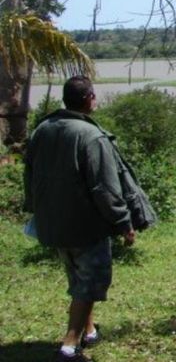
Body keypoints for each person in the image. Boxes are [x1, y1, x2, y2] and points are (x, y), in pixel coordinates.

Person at [23, 76, 136, 362]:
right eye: (94, 96)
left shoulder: (42, 129)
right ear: (88, 99)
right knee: (90, 282)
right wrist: (124, 222)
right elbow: (105, 187)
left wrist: (36, 210)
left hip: (53, 223)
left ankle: (89, 331)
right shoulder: (90, 135)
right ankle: (69, 345)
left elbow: (29, 174)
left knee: (77, 277)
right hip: (85, 226)